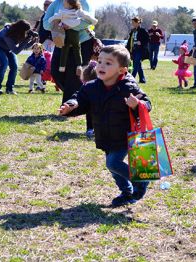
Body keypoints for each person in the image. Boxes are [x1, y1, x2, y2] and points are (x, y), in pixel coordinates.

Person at [59, 45, 151, 207]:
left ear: (122, 70)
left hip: (125, 136)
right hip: (105, 135)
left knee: (113, 163)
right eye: (99, 61)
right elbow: (80, 99)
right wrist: (71, 106)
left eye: (108, 63)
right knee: (113, 168)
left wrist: (137, 104)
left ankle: (140, 181)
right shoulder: (91, 87)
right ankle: (127, 192)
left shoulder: (128, 87)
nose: (101, 65)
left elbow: (147, 103)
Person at [43, 0, 96, 138]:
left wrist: (70, 25)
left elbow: (88, 22)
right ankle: (75, 101)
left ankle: (70, 107)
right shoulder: (56, 4)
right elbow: (45, 24)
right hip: (61, 41)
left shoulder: (84, 3)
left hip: (82, 43)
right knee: (56, 71)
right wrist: (59, 24)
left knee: (75, 75)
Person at [48, 0, 98, 76]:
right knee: (77, 48)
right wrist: (94, 21)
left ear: (69, 5)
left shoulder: (63, 11)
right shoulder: (78, 11)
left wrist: (51, 20)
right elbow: (88, 17)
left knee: (64, 48)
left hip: (66, 33)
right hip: (75, 32)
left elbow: (54, 17)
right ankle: (79, 65)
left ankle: (62, 66)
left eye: (65, 3)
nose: (63, 4)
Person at [0, 19, 36, 95]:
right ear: (21, 29)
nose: (27, 33)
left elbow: (24, 46)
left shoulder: (19, 32)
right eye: (26, 31)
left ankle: (9, 89)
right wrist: (26, 40)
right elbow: (16, 51)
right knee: (4, 64)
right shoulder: (7, 33)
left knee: (15, 67)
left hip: (8, 49)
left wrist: (32, 41)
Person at [126, 16, 149, 83]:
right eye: (132, 22)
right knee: (138, 64)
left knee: (135, 65)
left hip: (140, 49)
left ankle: (131, 79)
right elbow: (130, 40)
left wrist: (141, 42)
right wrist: (127, 49)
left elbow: (147, 39)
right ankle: (142, 79)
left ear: (138, 23)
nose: (132, 23)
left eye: (133, 22)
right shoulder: (132, 31)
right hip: (133, 49)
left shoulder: (142, 30)